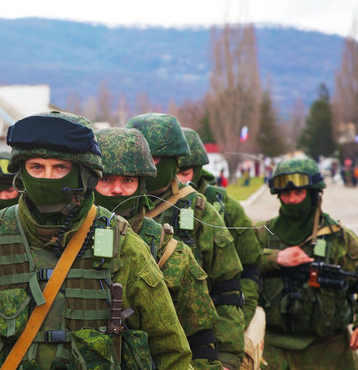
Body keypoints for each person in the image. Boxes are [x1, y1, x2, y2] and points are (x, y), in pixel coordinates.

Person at [0, 111, 193, 369]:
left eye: (60, 167)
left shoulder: (123, 245)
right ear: (22, 173)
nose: (47, 178)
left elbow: (169, 349)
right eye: (36, 167)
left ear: (84, 173)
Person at [94, 127, 222, 369]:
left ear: (142, 184)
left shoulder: (171, 251)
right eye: (106, 180)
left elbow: (201, 339)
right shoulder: (65, 240)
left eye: (128, 181)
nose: (117, 190)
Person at [127, 113, 245, 370]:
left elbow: (228, 291)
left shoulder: (200, 212)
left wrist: (226, 359)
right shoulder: (110, 207)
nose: (149, 166)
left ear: (174, 161)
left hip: (188, 353)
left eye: (156, 158)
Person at [255, 157, 358, 369]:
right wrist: (274, 259)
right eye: (286, 193)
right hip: (272, 351)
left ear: (313, 195)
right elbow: (232, 272)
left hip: (328, 352)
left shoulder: (340, 239)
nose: (292, 199)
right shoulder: (262, 235)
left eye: (299, 193)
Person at [177, 127, 263, 328]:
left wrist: (239, 323)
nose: (177, 181)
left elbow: (250, 269)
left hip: (216, 324)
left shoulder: (224, 206)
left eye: (184, 173)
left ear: (198, 170)